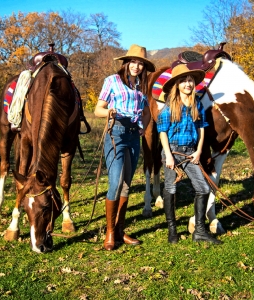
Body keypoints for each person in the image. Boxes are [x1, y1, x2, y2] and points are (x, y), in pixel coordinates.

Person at [94, 44, 155, 251]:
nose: (137, 67)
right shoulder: (111, 81)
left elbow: (146, 113)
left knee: (127, 184)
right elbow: (97, 110)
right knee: (115, 182)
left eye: (141, 64)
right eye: (134, 62)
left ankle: (120, 230)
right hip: (116, 133)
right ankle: (110, 232)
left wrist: (142, 129)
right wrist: (110, 111)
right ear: (126, 63)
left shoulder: (140, 86)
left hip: (132, 137)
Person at [157, 63, 223, 245]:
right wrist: (168, 156)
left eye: (190, 80)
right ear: (177, 85)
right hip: (172, 150)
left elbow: (201, 128)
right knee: (171, 188)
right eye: (184, 81)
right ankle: (172, 230)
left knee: (203, 188)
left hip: (190, 153)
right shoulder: (170, 106)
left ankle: (200, 230)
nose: (188, 84)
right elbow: (162, 131)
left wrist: (199, 151)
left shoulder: (196, 105)